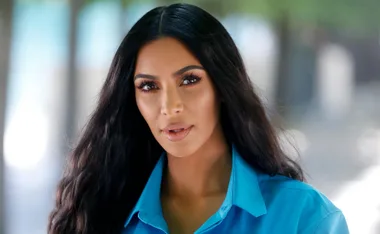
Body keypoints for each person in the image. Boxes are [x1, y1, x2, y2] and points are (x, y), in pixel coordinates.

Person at [48, 3, 349, 234]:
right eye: (149, 86)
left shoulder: (303, 217)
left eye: (189, 80)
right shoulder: (98, 214)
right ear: (133, 99)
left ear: (222, 85)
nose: (170, 106)